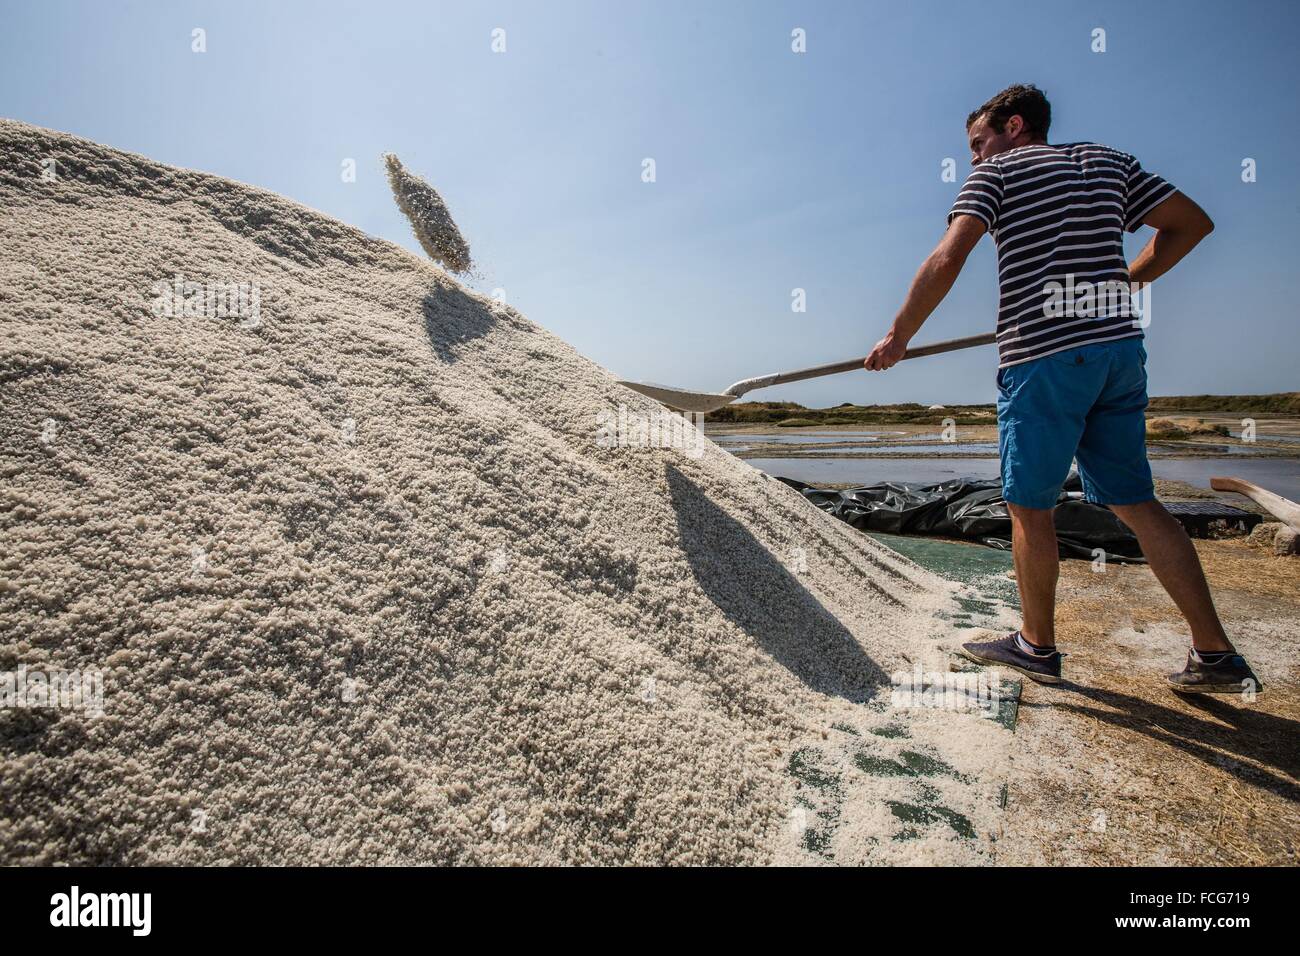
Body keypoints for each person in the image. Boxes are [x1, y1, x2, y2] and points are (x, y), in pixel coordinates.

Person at [863, 84, 1261, 696]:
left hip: (1045, 357)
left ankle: (1036, 647)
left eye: (978, 143)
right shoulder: (1110, 162)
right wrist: (1127, 278)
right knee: (1137, 502)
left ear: (1014, 126)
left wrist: (897, 337)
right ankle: (1215, 655)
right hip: (1119, 353)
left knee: (1029, 506)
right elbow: (1192, 224)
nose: (975, 158)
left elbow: (948, 258)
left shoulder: (997, 175)